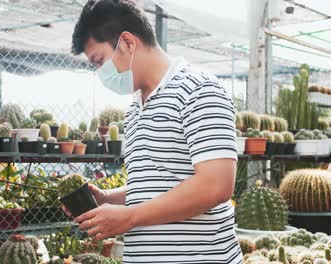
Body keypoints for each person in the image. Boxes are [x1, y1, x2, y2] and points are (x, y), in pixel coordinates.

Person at [64, 0, 243, 263]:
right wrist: (108, 199)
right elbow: (159, 182)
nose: (100, 73)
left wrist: (131, 216)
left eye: (99, 61)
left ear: (127, 42)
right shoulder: (135, 108)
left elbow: (216, 185)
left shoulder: (199, 89)